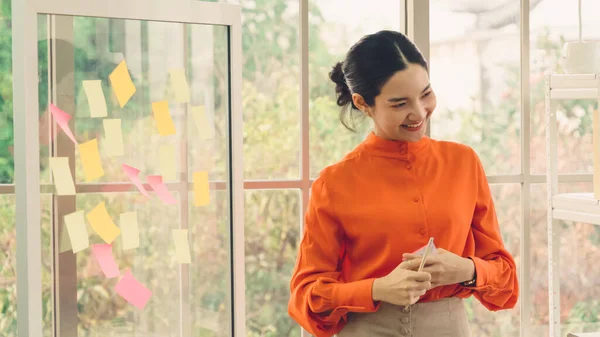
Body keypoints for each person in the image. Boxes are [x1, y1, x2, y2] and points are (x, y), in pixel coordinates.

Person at [287, 30, 519, 337]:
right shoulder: (334, 183)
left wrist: (467, 270)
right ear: (363, 103)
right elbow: (307, 296)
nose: (419, 113)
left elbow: (505, 277)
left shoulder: (463, 163)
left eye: (425, 94)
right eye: (400, 104)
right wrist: (376, 289)